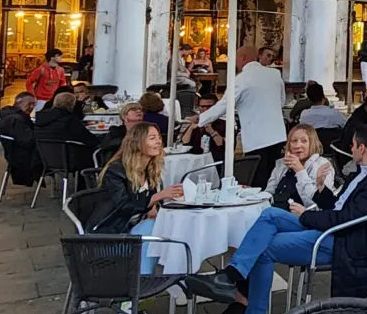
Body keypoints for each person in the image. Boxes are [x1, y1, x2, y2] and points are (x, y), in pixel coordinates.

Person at [188, 125, 367, 314]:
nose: (350, 149)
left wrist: (307, 215)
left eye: (352, 145)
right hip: (333, 226)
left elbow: (346, 219)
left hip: (344, 241)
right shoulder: (362, 171)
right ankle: (232, 274)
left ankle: (252, 310)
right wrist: (321, 189)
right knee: (270, 215)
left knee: (265, 248)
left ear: (362, 148)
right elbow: (338, 205)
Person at [88, 123, 184, 273]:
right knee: (153, 229)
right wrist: (155, 198)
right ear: (137, 143)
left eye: (159, 137)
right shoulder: (116, 171)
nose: (159, 141)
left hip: (132, 228)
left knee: (171, 226)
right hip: (110, 234)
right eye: (152, 138)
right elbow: (123, 206)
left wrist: (153, 208)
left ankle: (178, 277)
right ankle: (142, 281)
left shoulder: (149, 170)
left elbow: (147, 206)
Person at [193, 46, 288, 189]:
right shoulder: (275, 74)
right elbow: (281, 101)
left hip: (257, 138)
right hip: (278, 135)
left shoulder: (241, 79)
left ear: (243, 58)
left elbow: (224, 105)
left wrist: (200, 119)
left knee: (258, 181)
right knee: (273, 177)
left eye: (235, 59)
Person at [267, 124, 337, 210]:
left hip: (301, 216)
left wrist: (300, 170)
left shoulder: (321, 165)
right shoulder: (282, 164)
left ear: (312, 144)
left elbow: (317, 205)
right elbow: (269, 193)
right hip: (274, 212)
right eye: (294, 141)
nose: (297, 146)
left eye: (304, 141)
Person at [0, 92, 42, 186]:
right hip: (24, 158)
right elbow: (28, 140)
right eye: (29, 104)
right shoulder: (16, 120)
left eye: (34, 104)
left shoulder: (9, 117)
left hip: (13, 156)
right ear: (18, 103)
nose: (32, 107)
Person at [36, 89, 100, 153]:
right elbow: (91, 140)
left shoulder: (39, 118)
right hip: (70, 158)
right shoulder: (69, 120)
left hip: (43, 158)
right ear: (72, 104)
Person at [181, 94, 226, 162]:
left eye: (209, 107)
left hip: (215, 162)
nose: (206, 109)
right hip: (195, 161)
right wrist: (191, 128)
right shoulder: (196, 123)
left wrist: (212, 131)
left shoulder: (223, 124)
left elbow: (222, 145)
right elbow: (185, 142)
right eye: (202, 106)